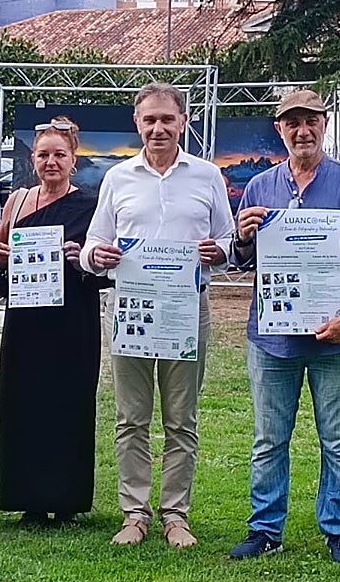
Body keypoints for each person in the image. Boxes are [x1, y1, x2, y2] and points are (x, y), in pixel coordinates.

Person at [230, 88, 340, 565]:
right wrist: (242, 236)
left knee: (338, 441)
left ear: (325, 124)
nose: (302, 130)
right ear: (280, 130)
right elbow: (243, 260)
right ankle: (265, 528)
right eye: (291, 122)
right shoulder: (260, 187)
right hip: (273, 338)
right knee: (268, 439)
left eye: (310, 121)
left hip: (337, 336)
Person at [81, 82, 234, 549]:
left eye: (167, 119)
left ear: (183, 121)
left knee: (180, 419)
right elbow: (91, 245)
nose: (159, 128)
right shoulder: (117, 178)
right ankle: (134, 514)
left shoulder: (207, 176)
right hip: (131, 311)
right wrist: (97, 257)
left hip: (188, 311)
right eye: (150, 120)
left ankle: (175, 515)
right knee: (131, 418)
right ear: (138, 124)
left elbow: (228, 242)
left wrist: (218, 251)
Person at [0, 116, 105, 527]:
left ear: (74, 159)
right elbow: (0, 264)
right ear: (33, 159)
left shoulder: (91, 205)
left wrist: (83, 258)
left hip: (72, 322)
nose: (51, 162)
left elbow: (103, 268)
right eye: (43, 155)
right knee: (23, 405)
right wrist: (4, 259)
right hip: (25, 323)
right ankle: (29, 500)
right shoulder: (17, 201)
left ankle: (67, 501)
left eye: (60, 154)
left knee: (68, 405)